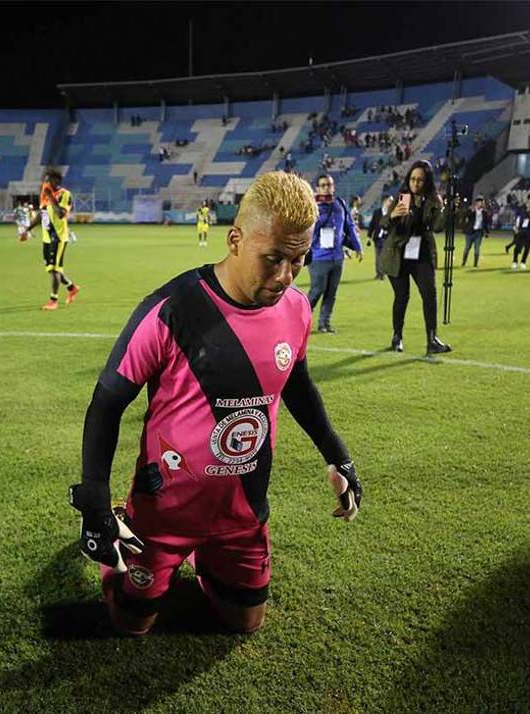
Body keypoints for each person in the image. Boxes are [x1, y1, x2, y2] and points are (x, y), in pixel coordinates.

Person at [68, 171, 363, 636]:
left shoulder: (296, 310)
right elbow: (106, 403)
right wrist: (95, 504)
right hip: (164, 510)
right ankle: (133, 546)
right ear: (234, 239)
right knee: (132, 625)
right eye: (273, 259)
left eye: (298, 261)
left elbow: (298, 384)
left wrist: (338, 455)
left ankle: (211, 560)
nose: (286, 276)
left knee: (245, 623)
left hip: (242, 512)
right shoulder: (171, 308)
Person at [381, 160, 452, 355]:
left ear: (427, 181)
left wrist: (445, 208)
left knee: (429, 295)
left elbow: (438, 227)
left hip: (421, 253)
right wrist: (393, 215)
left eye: (420, 180)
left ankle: (432, 339)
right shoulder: (401, 197)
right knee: (402, 297)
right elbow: (383, 223)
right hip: (397, 254)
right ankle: (397, 336)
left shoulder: (433, 200)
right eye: (412, 179)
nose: (415, 184)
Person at [306, 174, 362, 333]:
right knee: (317, 291)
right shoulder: (312, 206)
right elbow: (308, 230)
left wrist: (358, 247)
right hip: (318, 256)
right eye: (323, 185)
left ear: (333, 187)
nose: (326, 188)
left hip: (337, 257)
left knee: (331, 292)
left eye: (329, 185)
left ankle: (324, 324)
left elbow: (349, 226)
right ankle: (301, 319)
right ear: (317, 188)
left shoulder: (340, 204)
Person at [22, 169, 80, 310]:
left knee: (55, 269)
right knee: (50, 268)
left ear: (56, 181)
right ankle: (72, 288)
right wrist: (27, 230)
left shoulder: (65, 195)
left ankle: (53, 300)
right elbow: (41, 215)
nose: (46, 183)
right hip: (47, 238)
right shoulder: (45, 195)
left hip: (59, 237)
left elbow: (61, 214)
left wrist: (50, 197)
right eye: (45, 180)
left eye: (49, 180)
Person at [460, 196, 490, 268]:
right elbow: (464, 216)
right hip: (470, 232)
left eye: (483, 202)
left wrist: (486, 232)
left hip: (478, 232)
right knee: (467, 248)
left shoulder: (484, 212)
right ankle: (463, 262)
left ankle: (475, 264)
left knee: (477, 249)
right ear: (477, 202)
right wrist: (471, 211)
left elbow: (485, 223)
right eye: (481, 202)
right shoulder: (471, 210)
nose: (482, 203)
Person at [510, 194, 530, 270]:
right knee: (517, 246)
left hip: (529, 230)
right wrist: (515, 227)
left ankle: (523, 262)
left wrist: (529, 211)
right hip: (521, 229)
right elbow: (517, 217)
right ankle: (515, 261)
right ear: (528, 199)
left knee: (527, 247)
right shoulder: (521, 207)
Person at [367, 196, 392, 280]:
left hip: (387, 238)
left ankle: (382, 273)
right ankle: (379, 274)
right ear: (385, 201)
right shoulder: (377, 212)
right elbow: (372, 225)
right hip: (378, 238)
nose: (391, 202)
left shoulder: (391, 213)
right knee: (378, 257)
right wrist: (369, 236)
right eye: (390, 200)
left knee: (384, 257)